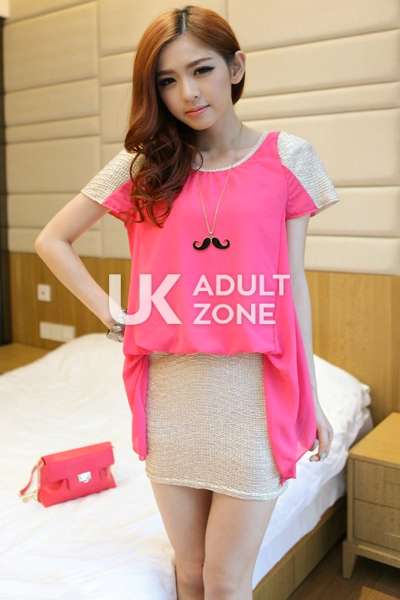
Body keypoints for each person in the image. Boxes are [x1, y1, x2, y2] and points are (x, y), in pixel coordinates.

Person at [34, 5, 339, 599]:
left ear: (235, 67)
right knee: (191, 572)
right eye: (168, 81)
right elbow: (52, 240)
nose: (188, 93)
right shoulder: (143, 167)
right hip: (171, 392)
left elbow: (291, 286)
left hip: (252, 395)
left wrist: (312, 397)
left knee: (225, 582)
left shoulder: (289, 157)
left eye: (202, 70)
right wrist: (112, 314)